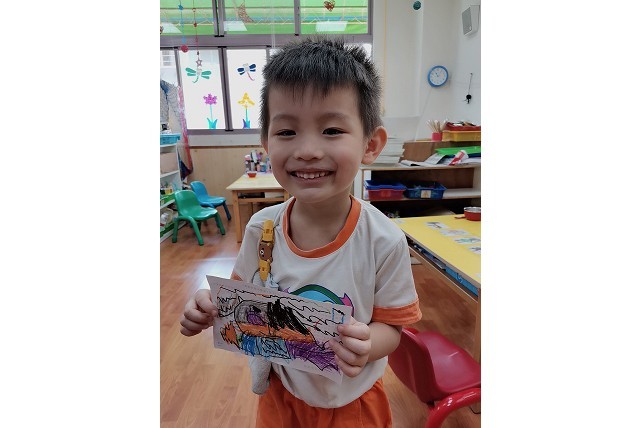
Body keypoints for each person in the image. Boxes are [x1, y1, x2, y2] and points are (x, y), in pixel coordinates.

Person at [179, 36, 422, 427]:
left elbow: (392, 327)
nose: (307, 150)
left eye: (332, 130)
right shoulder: (261, 228)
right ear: (266, 143)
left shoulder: (383, 240)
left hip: (352, 403)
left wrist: (368, 344)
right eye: (287, 132)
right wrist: (208, 305)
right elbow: (238, 296)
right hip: (281, 396)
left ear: (370, 144)